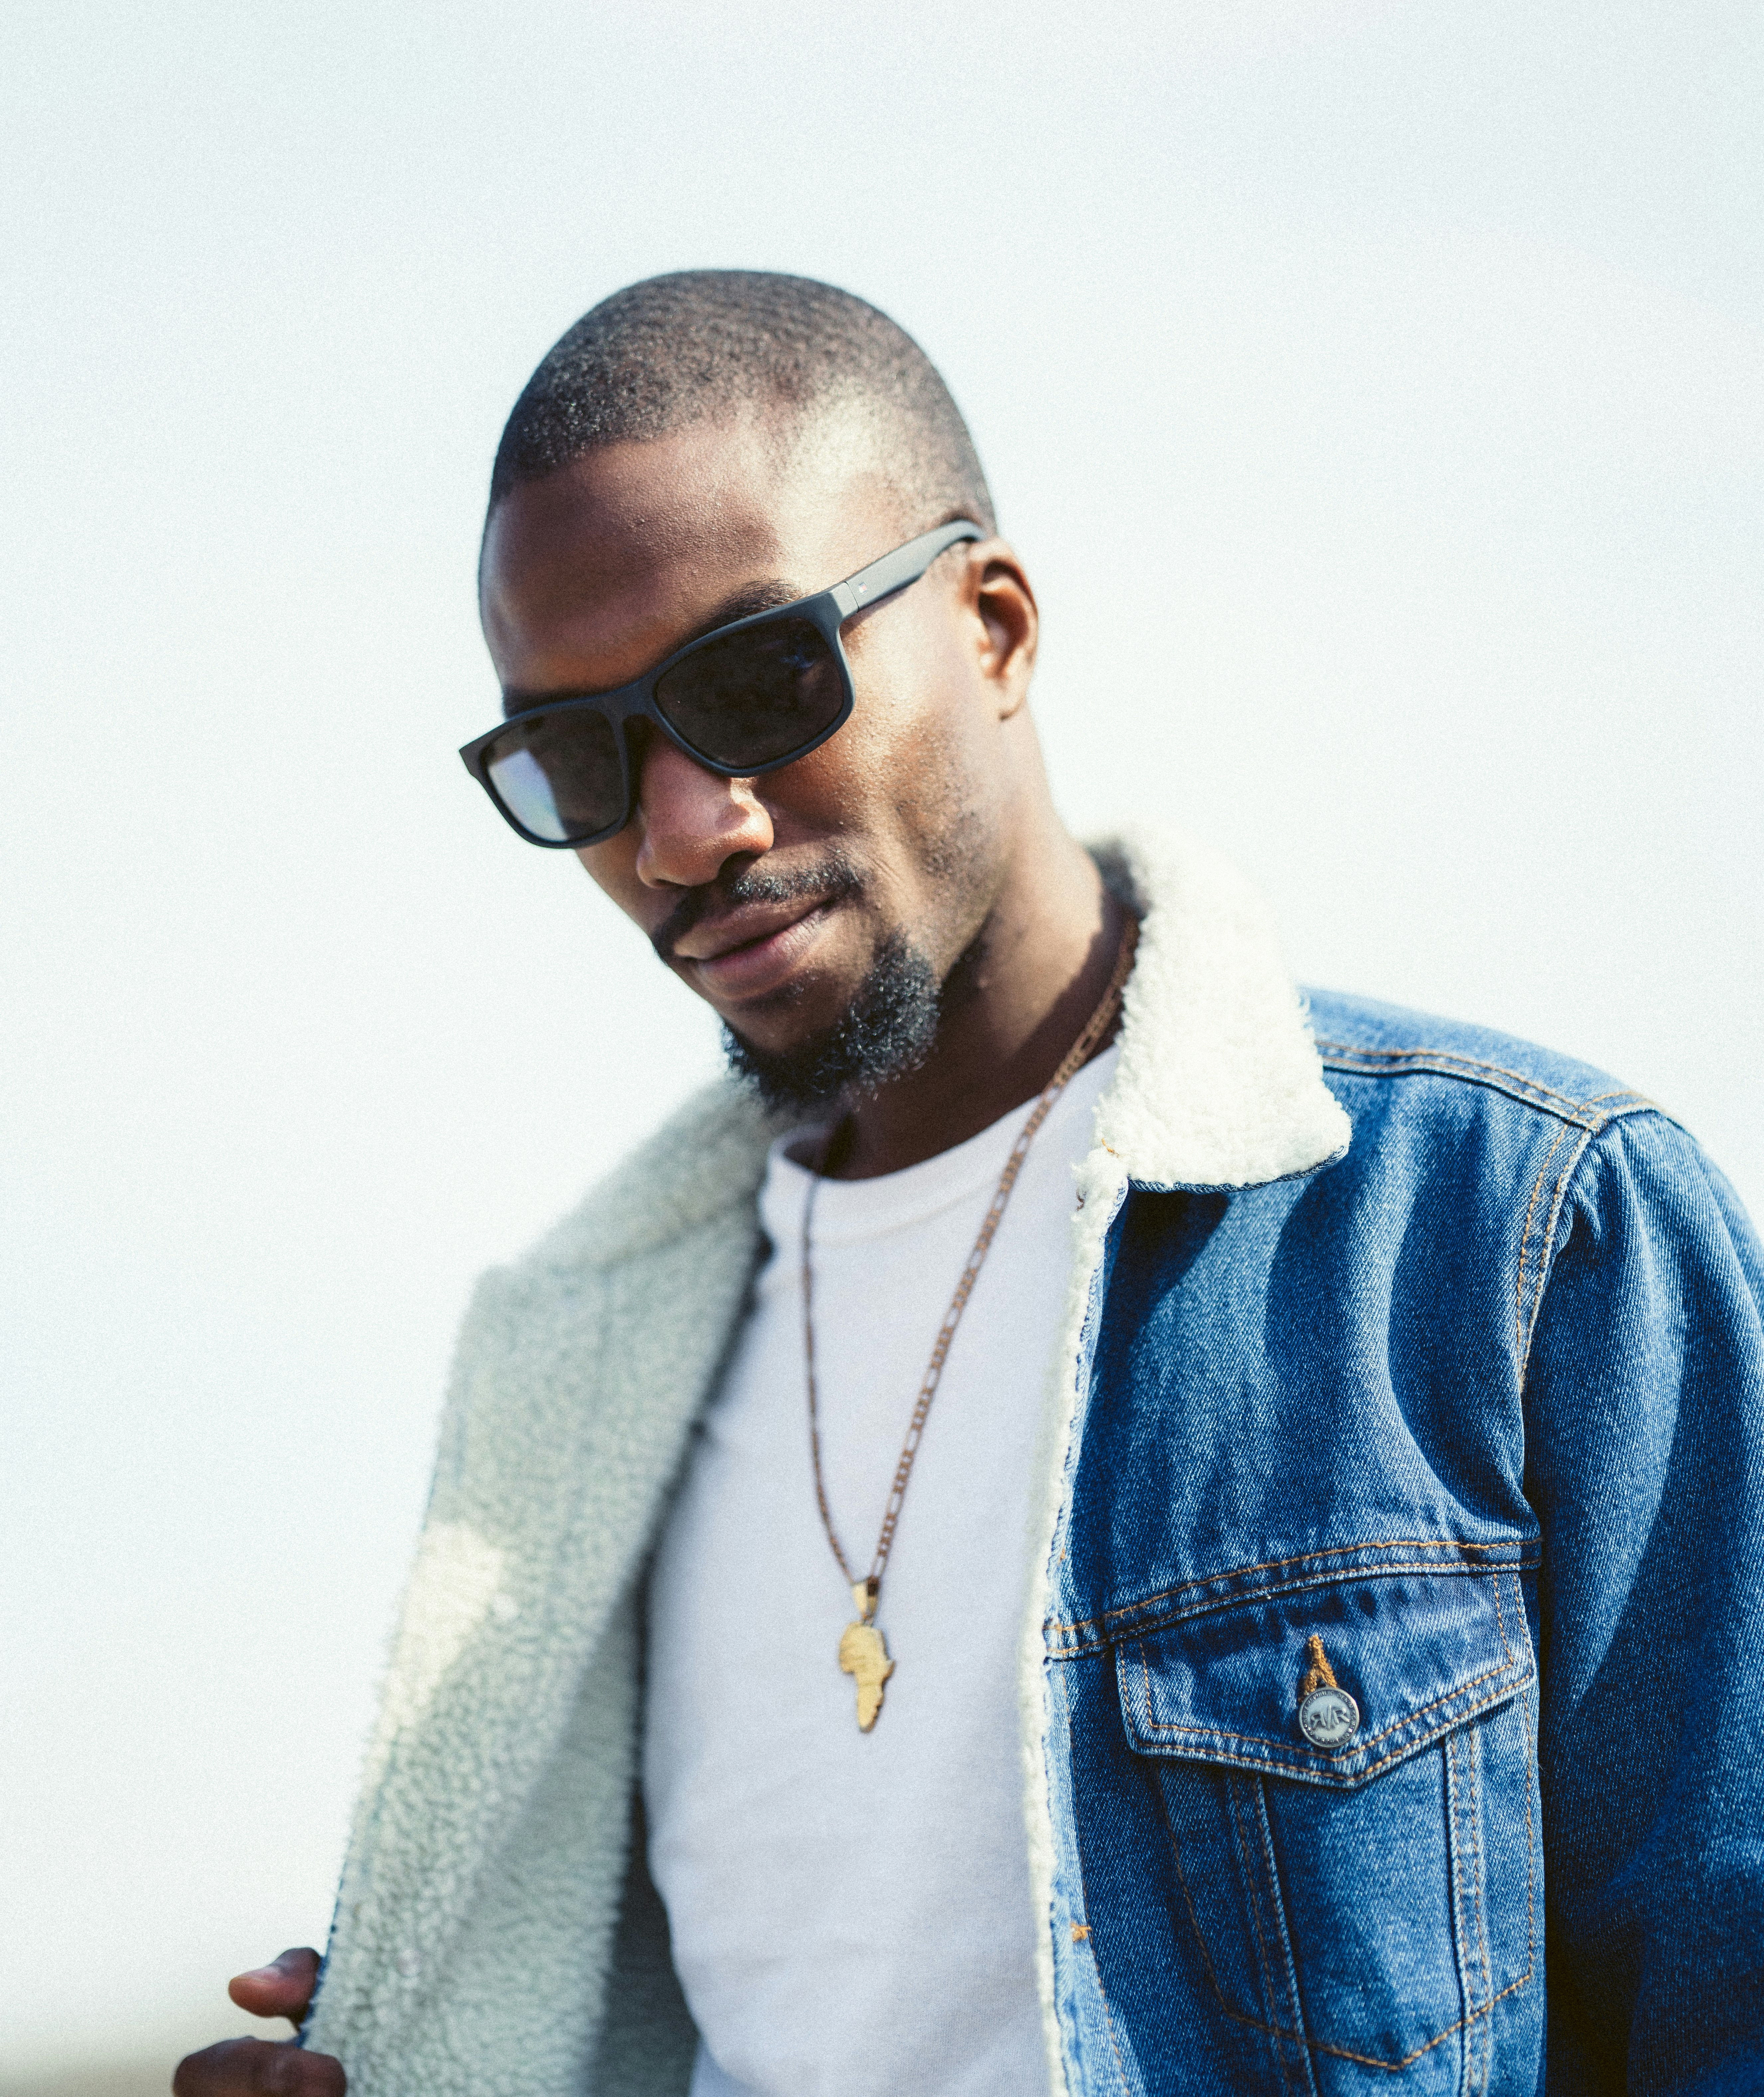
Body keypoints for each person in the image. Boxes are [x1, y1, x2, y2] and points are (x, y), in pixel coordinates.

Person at [174, 272, 1764, 2097]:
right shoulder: (578, 1382)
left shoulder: (1516, 1232)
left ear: (993, 625)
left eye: (759, 680)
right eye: (580, 755)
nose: (685, 826)